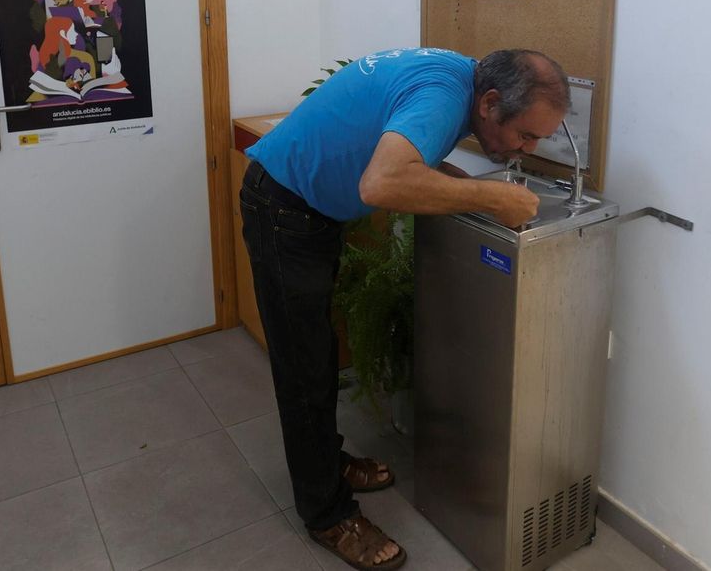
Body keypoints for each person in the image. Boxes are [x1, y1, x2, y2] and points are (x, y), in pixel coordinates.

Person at [240, 47, 569, 570]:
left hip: (307, 208)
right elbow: (382, 182)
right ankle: (327, 514)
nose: (524, 149)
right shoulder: (444, 97)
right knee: (304, 368)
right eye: (525, 135)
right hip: (283, 208)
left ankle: (328, 462)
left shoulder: (458, 78)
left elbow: (413, 150)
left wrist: (471, 186)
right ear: (489, 103)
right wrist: (491, 199)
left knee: (318, 354)